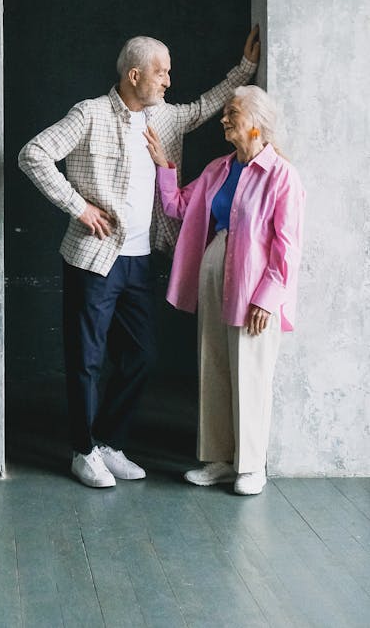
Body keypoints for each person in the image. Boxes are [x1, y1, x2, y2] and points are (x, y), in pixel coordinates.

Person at [18, 27, 260, 488]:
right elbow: (34, 154)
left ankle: (109, 442)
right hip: (94, 258)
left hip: (140, 259)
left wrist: (245, 69)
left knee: (142, 355)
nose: (168, 81)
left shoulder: (164, 118)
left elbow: (209, 104)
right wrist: (79, 207)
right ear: (134, 75)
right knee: (87, 358)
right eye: (161, 72)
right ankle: (83, 451)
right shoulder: (89, 114)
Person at [144, 85, 304, 496]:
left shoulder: (282, 175)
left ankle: (250, 466)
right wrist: (164, 167)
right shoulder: (219, 168)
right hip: (214, 267)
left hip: (255, 282)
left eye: (232, 113)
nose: (224, 119)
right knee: (213, 362)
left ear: (256, 123)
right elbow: (178, 206)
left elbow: (287, 246)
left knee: (251, 370)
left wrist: (268, 298)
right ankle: (218, 459)